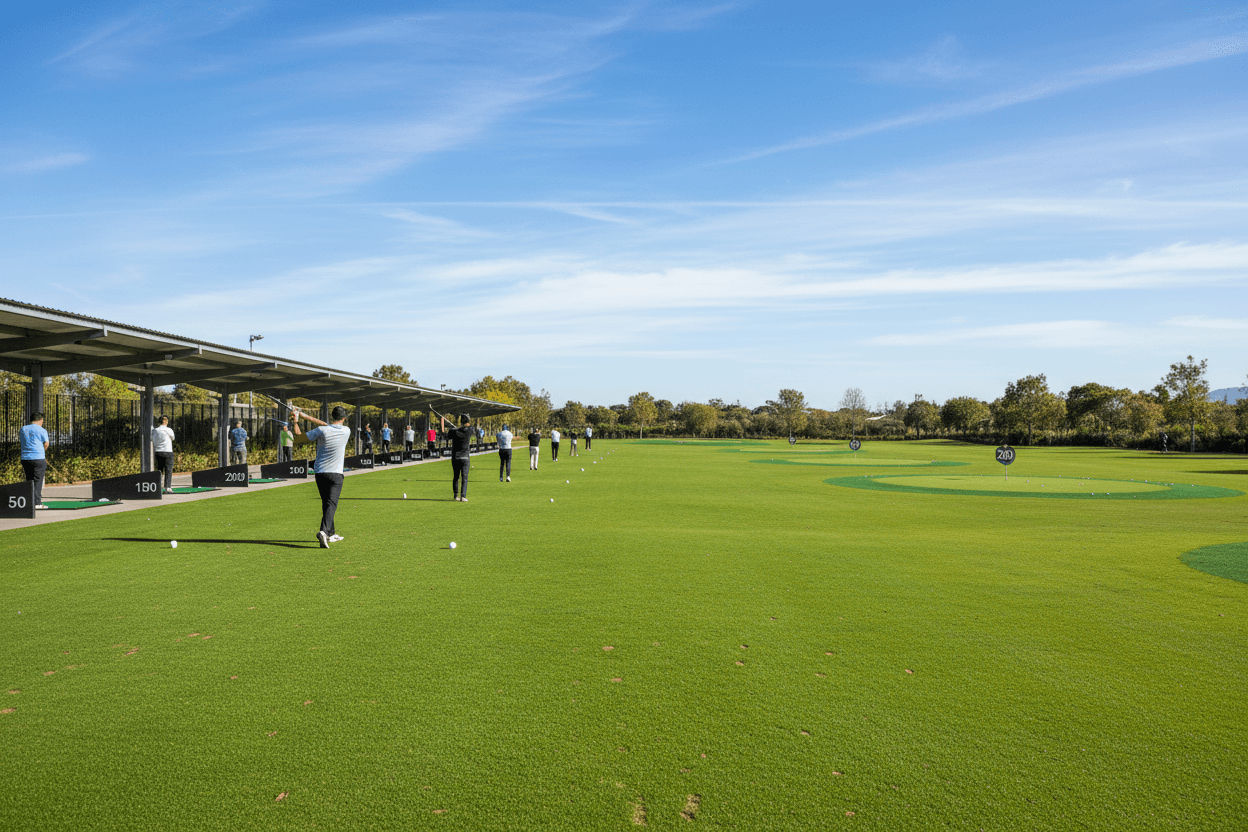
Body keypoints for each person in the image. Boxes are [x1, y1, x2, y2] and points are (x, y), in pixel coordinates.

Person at [291, 405, 351, 548]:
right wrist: (304, 416)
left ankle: (331, 533)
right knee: (331, 504)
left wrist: (296, 420)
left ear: (332, 416)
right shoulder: (346, 430)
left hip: (320, 473)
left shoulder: (322, 431)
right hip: (336, 473)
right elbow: (328, 426)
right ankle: (323, 532)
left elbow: (299, 438)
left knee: (327, 503)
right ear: (343, 418)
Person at [441, 413, 475, 501]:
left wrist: (453, 428)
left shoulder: (454, 431)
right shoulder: (469, 430)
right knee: (464, 477)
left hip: (455, 457)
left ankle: (456, 496)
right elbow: (470, 428)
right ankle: (463, 496)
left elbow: (447, 435)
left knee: (456, 476)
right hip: (465, 457)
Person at [20, 411, 50, 509]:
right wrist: (43, 450)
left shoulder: (23, 429)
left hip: (25, 458)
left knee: (29, 480)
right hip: (38, 458)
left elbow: (23, 441)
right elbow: (46, 444)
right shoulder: (42, 430)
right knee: (38, 480)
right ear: (40, 420)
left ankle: (29, 501)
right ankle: (37, 503)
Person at [152, 415, 176, 493]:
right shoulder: (169, 430)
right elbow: (173, 438)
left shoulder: (154, 430)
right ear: (165, 421)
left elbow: (152, 439)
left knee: (159, 470)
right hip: (168, 452)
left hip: (158, 452)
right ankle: (167, 487)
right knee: (168, 470)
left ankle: (157, 487)